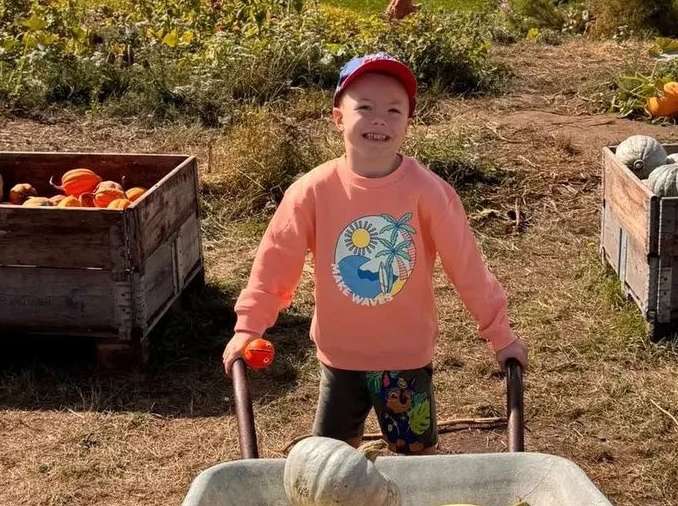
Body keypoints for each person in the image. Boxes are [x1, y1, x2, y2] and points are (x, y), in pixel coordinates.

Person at [222, 53, 527, 454]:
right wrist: (249, 326)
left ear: (408, 123)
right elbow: (275, 263)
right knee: (331, 467)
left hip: (405, 360)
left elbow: (467, 268)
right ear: (338, 117)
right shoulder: (312, 192)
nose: (379, 118)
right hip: (338, 358)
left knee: (415, 462)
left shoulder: (429, 192)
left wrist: (500, 334)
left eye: (393, 110)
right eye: (364, 108)